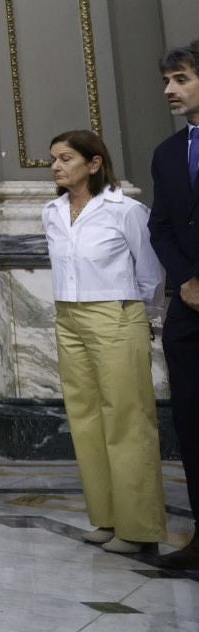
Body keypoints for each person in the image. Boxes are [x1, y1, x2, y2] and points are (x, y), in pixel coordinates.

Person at [43, 129, 165, 556]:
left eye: (66, 159)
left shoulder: (126, 210)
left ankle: (139, 527)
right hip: (67, 315)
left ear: (94, 163)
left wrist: (140, 316)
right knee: (85, 417)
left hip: (116, 312)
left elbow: (149, 271)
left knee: (127, 419)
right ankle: (107, 517)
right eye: (54, 159)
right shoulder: (52, 212)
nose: (56, 166)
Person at [149, 40, 199, 569]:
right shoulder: (167, 153)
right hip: (188, 310)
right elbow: (160, 227)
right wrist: (186, 281)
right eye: (167, 79)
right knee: (190, 421)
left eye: (181, 78)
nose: (169, 89)